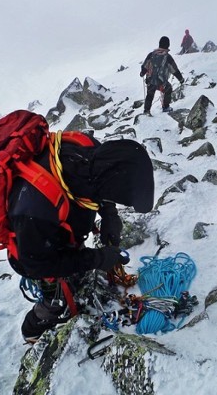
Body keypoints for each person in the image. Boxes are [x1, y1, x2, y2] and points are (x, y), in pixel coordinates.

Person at [9, 134, 155, 343]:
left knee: (75, 274)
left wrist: (109, 216)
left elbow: (102, 185)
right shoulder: (35, 207)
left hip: (59, 231)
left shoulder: (89, 152)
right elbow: (37, 265)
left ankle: (73, 282)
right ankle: (33, 329)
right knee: (56, 301)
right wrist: (97, 259)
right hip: (33, 253)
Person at [140, 36, 184, 115]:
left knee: (150, 95)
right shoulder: (168, 57)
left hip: (150, 81)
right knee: (168, 89)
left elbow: (145, 66)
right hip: (161, 83)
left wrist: (142, 73)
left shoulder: (151, 54)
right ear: (168, 45)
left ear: (159, 44)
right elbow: (174, 70)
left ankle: (146, 111)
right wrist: (180, 79)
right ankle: (166, 107)